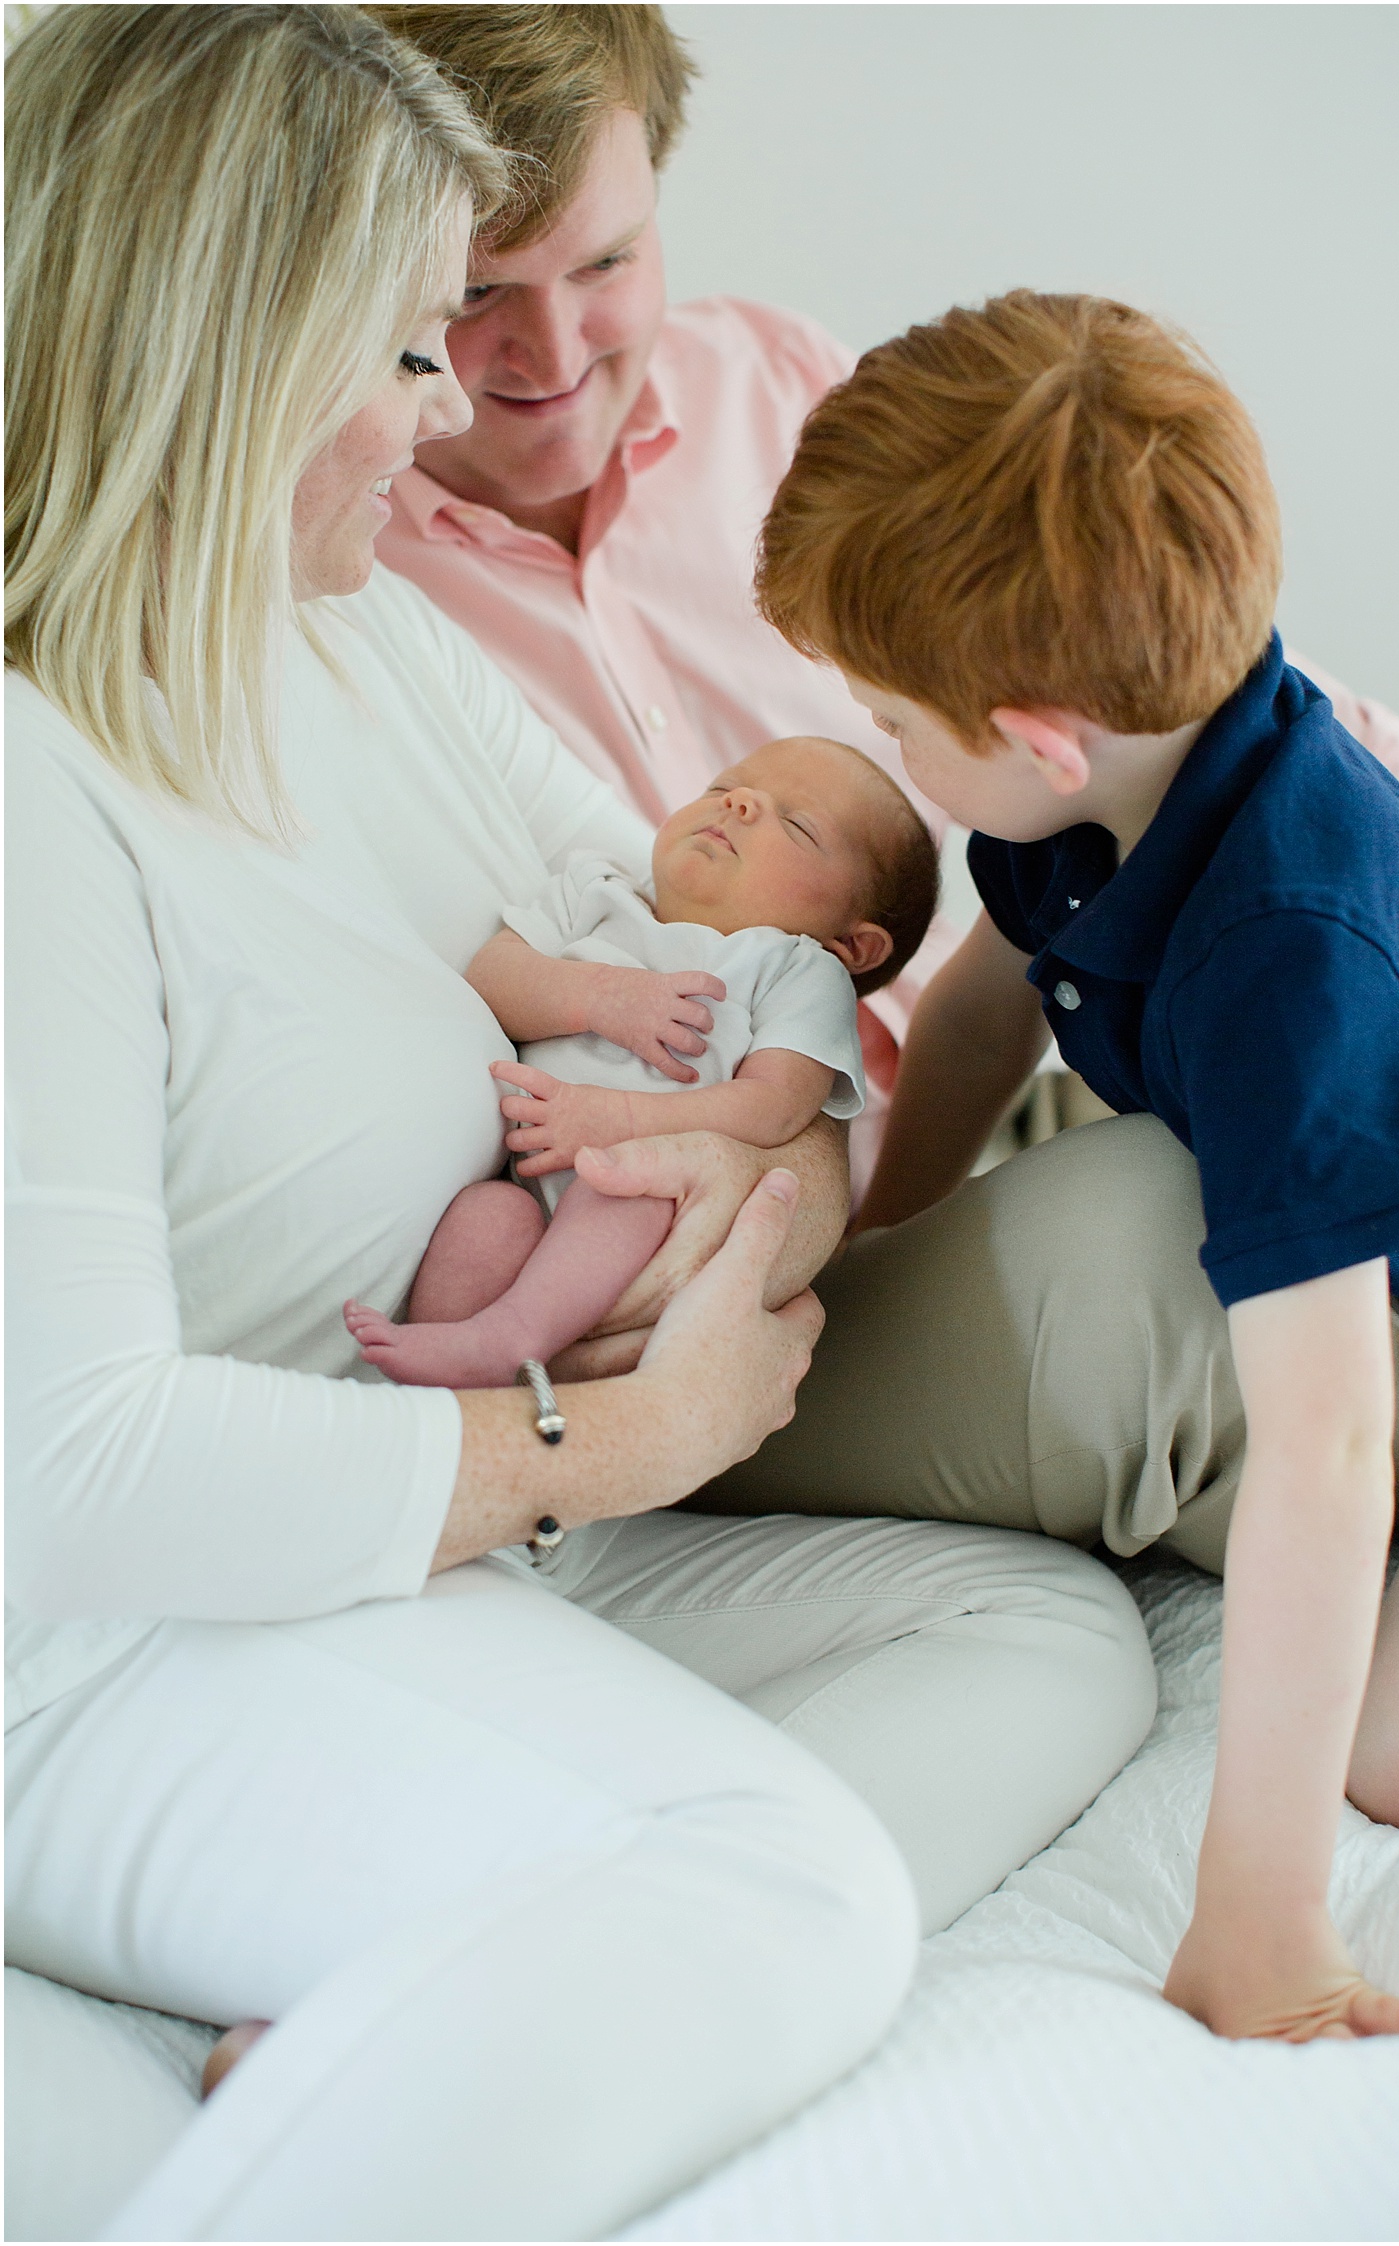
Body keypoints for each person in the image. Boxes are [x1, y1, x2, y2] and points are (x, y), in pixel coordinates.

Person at [4, 14, 1159, 2236]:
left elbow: (746, 989)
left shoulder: (350, 650)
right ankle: (488, 1989)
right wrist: (627, 1437)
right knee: (792, 1879)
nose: (448, 411)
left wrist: (764, 1177)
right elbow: (75, 1482)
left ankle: (427, 2003)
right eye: (405, 341)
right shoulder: (32, 778)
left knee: (1043, 1640)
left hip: (456, 1528)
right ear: (229, 349)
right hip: (122, 1634)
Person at [714, 289, 1399, 2046]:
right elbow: (991, 1000)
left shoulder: (1293, 948)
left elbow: (1315, 1437)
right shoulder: (1112, 787)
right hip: (1249, 1136)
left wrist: (1263, 1916)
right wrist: (884, 1230)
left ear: (1040, 736)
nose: (891, 767)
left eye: (895, 724)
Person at [368, 3, 1399, 1199]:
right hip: (791, 1190)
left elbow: (1159, 662)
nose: (552, 355)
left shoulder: (782, 384)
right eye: (478, 295)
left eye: (606, 262)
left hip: (1096, 1073)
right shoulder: (340, 578)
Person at [346, 736, 937, 1390]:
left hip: (643, 1206)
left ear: (852, 944)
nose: (738, 804)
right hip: (529, 1183)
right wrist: (596, 996)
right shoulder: (597, 887)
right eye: (724, 789)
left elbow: (775, 1107)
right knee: (485, 1219)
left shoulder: (796, 970)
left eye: (795, 824)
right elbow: (495, 974)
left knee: (626, 1193)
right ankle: (450, 1383)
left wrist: (621, 1119)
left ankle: (511, 1338)